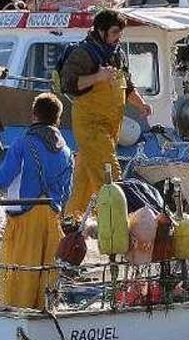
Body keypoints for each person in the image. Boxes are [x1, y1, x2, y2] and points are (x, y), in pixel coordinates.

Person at [0, 93, 73, 309]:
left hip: (25, 219)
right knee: (47, 276)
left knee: (19, 277)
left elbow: (3, 177)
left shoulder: (23, 144)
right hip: (52, 218)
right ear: (58, 119)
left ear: (33, 115)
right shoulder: (67, 152)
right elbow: (66, 192)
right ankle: (46, 314)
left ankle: (16, 317)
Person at [60, 9, 152, 219]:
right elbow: (70, 85)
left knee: (82, 185)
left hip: (111, 130)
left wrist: (141, 105)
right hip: (90, 127)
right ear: (100, 31)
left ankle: (69, 225)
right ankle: (118, 227)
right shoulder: (83, 53)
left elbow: (127, 87)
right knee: (110, 175)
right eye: (114, 32)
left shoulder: (118, 53)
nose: (118, 37)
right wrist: (98, 76)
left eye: (120, 33)